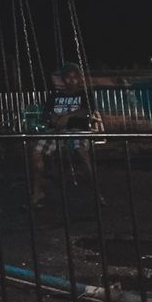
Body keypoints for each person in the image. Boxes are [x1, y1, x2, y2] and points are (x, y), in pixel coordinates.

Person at [28, 62, 101, 207]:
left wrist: (67, 117)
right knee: (36, 152)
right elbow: (46, 114)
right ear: (64, 79)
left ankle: (96, 191)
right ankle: (38, 191)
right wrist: (53, 118)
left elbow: (86, 111)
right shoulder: (55, 96)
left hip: (77, 129)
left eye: (75, 77)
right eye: (68, 77)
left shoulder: (84, 94)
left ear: (79, 79)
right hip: (56, 131)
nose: (72, 80)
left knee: (80, 151)